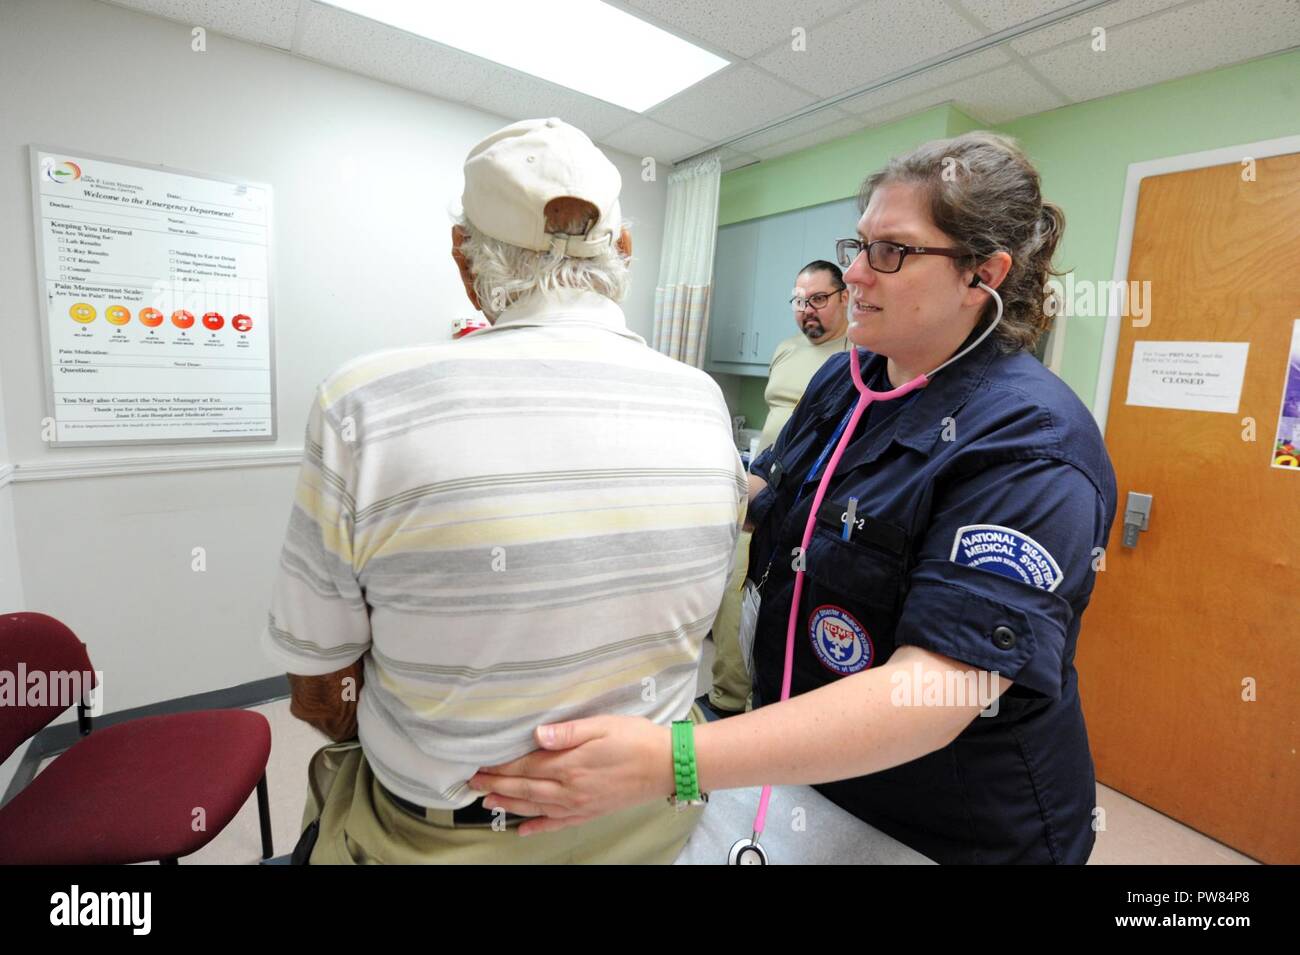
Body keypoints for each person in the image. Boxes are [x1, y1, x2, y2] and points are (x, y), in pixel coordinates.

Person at [469, 131, 1118, 865]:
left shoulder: (1032, 442)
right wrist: (628, 482)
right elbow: (767, 495)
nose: (854, 275)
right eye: (858, 244)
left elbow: (934, 691)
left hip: (946, 821)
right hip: (803, 767)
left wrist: (674, 758)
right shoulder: (847, 382)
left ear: (983, 274)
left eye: (892, 251)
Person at [262, 117, 746, 863]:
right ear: (623, 252)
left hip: (439, 837)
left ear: (465, 259)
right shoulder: (702, 399)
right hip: (657, 822)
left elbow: (319, 689)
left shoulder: (361, 402)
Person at [703, 260, 850, 717]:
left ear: (845, 297)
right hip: (757, 487)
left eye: (819, 299)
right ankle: (725, 699)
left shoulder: (857, 357)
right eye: (800, 301)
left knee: (773, 606)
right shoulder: (787, 350)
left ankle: (766, 709)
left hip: (798, 502)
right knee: (733, 598)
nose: (807, 311)